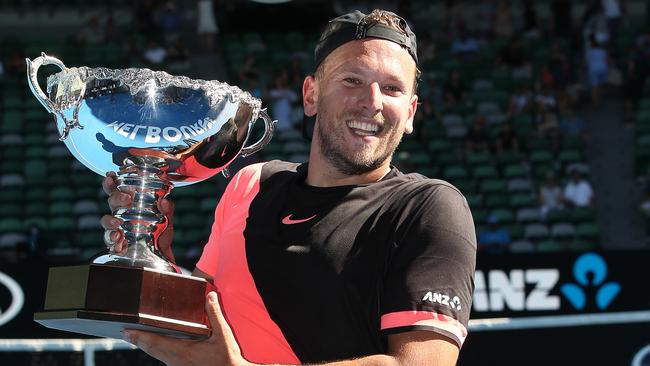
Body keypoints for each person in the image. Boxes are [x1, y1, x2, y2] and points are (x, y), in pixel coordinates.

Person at [101, 9, 477, 366]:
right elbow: (206, 323)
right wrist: (155, 254)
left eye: (392, 88)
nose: (372, 102)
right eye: (352, 80)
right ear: (311, 94)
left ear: (410, 112)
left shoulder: (428, 208)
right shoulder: (251, 183)